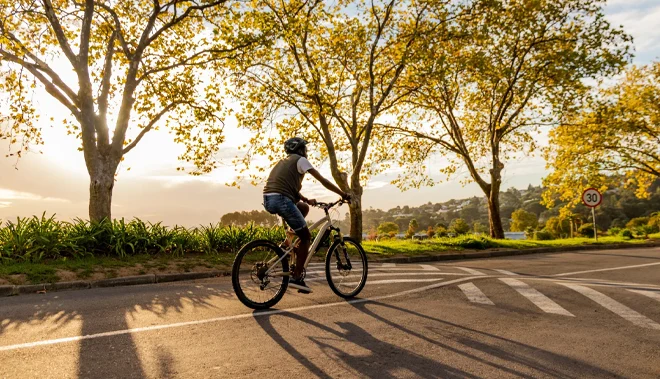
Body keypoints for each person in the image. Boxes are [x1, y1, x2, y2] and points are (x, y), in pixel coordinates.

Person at [263, 137, 349, 294]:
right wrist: (342, 193)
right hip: (282, 199)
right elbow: (323, 180)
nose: (307, 152)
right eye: (305, 149)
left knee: (302, 207)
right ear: (300, 149)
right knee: (306, 237)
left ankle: (289, 240)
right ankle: (296, 277)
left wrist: (305, 199)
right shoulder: (301, 160)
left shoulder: (283, 162)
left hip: (269, 199)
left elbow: (286, 185)